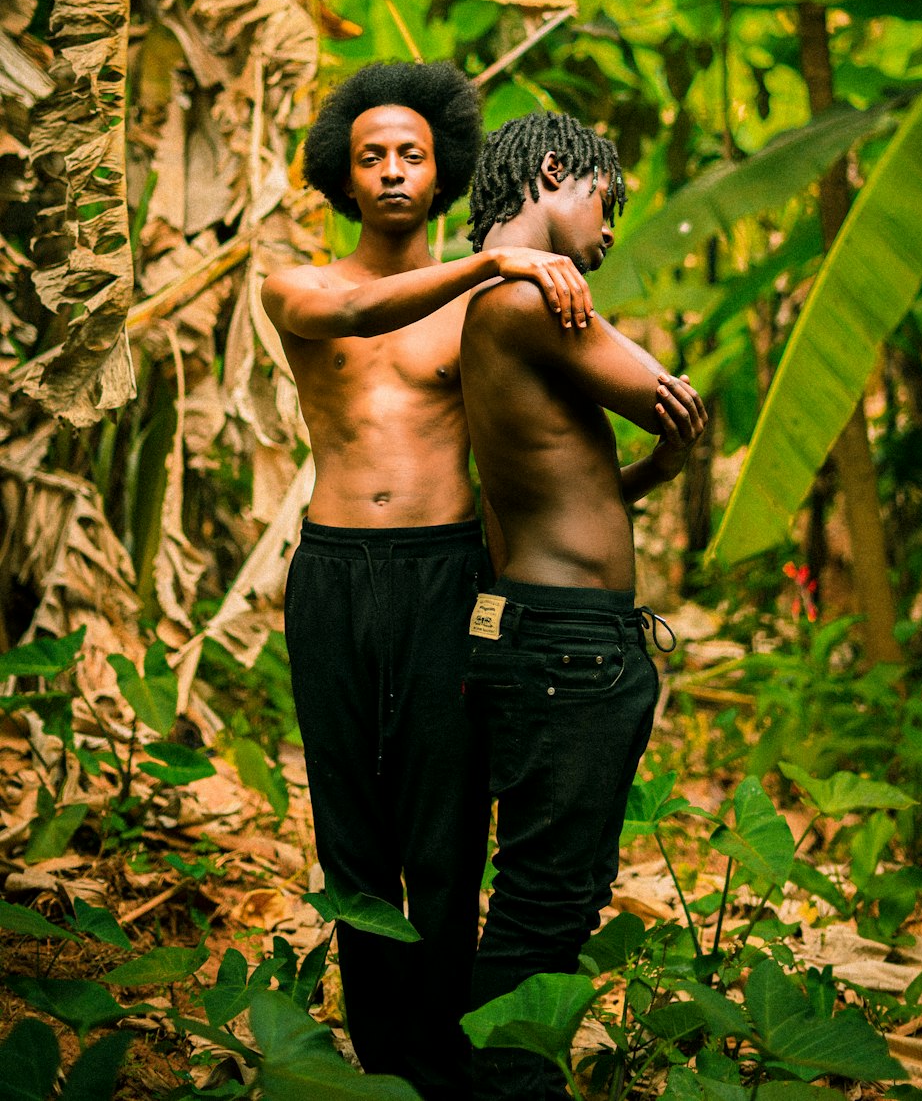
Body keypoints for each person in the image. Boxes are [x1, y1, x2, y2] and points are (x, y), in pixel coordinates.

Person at [261, 61, 595, 1101]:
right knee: (351, 829)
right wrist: (497, 265)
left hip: (449, 572)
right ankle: (381, 1061)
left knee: (446, 830)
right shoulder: (301, 282)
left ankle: (446, 1060)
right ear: (344, 177)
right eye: (372, 157)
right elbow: (356, 318)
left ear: (441, 166)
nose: (395, 171)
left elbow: (534, 459)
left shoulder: (485, 314)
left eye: (412, 153)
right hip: (332, 579)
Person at [460, 112, 708, 1101]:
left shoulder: (485, 306)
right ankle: (500, 1087)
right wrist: (676, 432)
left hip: (544, 629)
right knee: (544, 904)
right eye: (609, 203)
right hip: (568, 646)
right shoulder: (524, 304)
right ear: (555, 170)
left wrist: (655, 473)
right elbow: (668, 392)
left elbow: (569, 490)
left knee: (545, 893)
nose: (607, 234)